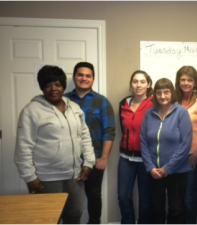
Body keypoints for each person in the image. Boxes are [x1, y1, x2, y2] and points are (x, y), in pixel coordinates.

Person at [14, 65, 95, 225]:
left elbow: (85, 137)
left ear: (63, 86)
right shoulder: (31, 111)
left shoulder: (75, 108)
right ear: (42, 88)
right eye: (47, 85)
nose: (53, 89)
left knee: (74, 216)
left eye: (57, 84)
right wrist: (30, 177)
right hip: (47, 178)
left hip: (74, 176)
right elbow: (23, 146)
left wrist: (88, 163)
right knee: (47, 219)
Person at [65, 62, 116, 225]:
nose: (84, 78)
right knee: (68, 198)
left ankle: (94, 223)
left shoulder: (101, 101)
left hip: (93, 159)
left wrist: (104, 158)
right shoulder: (63, 100)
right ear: (74, 77)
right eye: (80, 75)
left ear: (93, 79)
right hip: (67, 159)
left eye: (88, 76)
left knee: (94, 195)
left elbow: (109, 131)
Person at [140, 78, 192, 225]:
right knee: (156, 208)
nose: (162, 96)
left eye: (166, 92)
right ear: (154, 95)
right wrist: (150, 168)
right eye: (159, 92)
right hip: (155, 172)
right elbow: (143, 141)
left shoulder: (181, 113)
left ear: (172, 93)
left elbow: (185, 143)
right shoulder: (149, 114)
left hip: (177, 171)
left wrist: (168, 168)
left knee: (175, 209)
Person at [118, 70, 154, 225]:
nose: (138, 85)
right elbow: (123, 128)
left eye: (142, 81)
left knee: (146, 199)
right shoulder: (123, 103)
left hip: (146, 159)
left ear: (148, 85)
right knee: (123, 196)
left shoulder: (155, 103)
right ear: (131, 84)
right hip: (126, 158)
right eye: (135, 81)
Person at [174, 66, 197, 225]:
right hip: (174, 158)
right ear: (178, 81)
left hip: (192, 158)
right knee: (176, 200)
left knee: (189, 199)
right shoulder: (173, 100)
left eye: (190, 80)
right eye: (183, 79)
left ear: (195, 83)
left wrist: (196, 154)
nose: (186, 83)